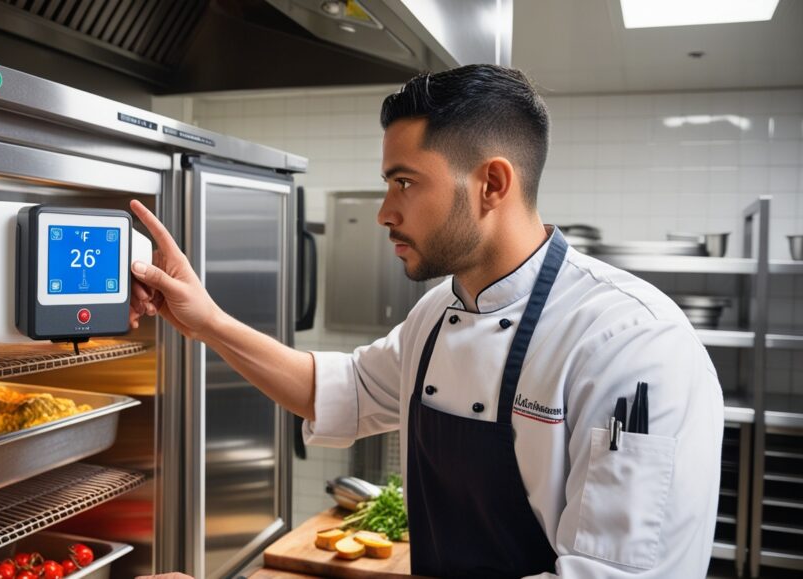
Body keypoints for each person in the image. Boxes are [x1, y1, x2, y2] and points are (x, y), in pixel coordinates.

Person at [128, 65, 724, 578]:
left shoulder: (631, 344)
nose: (385, 212)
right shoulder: (438, 312)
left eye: (404, 183)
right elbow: (342, 390)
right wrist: (204, 320)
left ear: (492, 183)